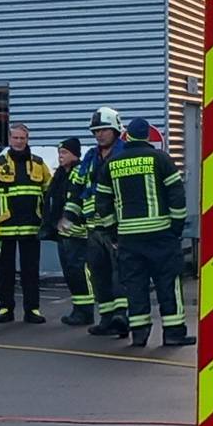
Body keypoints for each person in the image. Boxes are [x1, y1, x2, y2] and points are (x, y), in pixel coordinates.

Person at [93, 115, 192, 348]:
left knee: (135, 285)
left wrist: (112, 231)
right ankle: (174, 333)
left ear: (127, 136)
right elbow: (176, 195)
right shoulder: (161, 159)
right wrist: (176, 227)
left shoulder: (112, 164)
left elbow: (102, 202)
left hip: (128, 237)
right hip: (161, 235)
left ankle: (139, 334)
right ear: (147, 136)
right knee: (168, 283)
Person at [0, 123, 50, 323]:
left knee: (31, 271)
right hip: (4, 228)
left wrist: (48, 220)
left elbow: (50, 191)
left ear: (28, 139)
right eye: (16, 138)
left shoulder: (39, 164)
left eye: (23, 138)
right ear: (10, 140)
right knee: (5, 272)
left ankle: (32, 309)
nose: (19, 142)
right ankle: (5, 308)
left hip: (31, 227)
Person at [79, 106, 129, 337]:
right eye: (96, 131)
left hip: (117, 225)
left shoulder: (125, 155)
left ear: (116, 130)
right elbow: (79, 187)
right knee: (98, 273)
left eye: (104, 130)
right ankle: (107, 318)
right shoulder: (90, 158)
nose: (99, 134)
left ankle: (122, 316)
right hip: (93, 227)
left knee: (120, 271)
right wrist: (69, 216)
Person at [42, 135, 95, 326]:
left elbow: (80, 199)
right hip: (64, 233)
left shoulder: (79, 172)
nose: (60, 156)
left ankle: (85, 311)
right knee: (70, 273)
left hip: (77, 233)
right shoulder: (60, 174)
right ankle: (78, 309)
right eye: (59, 153)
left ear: (74, 154)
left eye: (64, 152)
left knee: (79, 272)